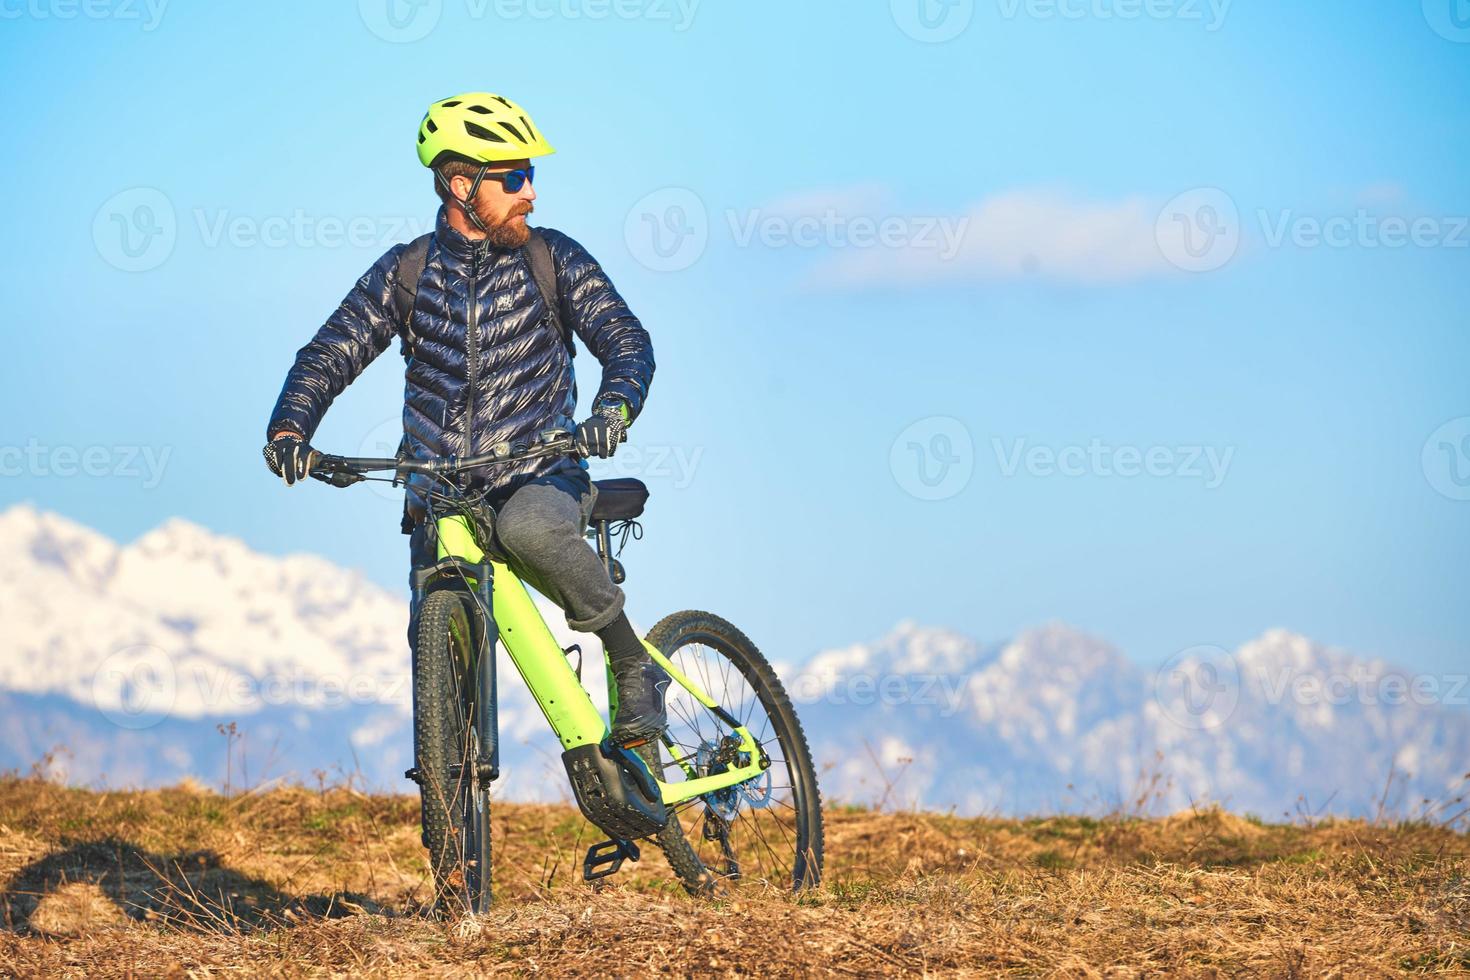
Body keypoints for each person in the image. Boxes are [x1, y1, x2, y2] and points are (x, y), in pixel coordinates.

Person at [261, 92, 666, 746]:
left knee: (529, 527)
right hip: (439, 487)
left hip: (540, 472)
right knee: (436, 643)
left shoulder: (553, 259)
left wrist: (612, 409)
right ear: (461, 184)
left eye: (530, 174)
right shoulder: (407, 272)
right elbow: (331, 352)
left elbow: (625, 340)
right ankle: (452, 818)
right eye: (513, 177)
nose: (530, 191)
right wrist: (290, 430)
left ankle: (631, 660)